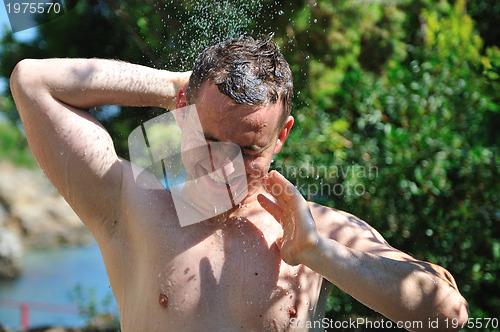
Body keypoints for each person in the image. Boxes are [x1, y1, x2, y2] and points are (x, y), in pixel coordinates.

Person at [10, 36, 468, 331]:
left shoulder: (314, 230)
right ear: (184, 112)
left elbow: (448, 316)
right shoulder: (132, 207)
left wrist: (319, 254)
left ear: (281, 136)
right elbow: (33, 81)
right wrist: (176, 87)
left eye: (248, 151)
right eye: (208, 139)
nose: (223, 168)